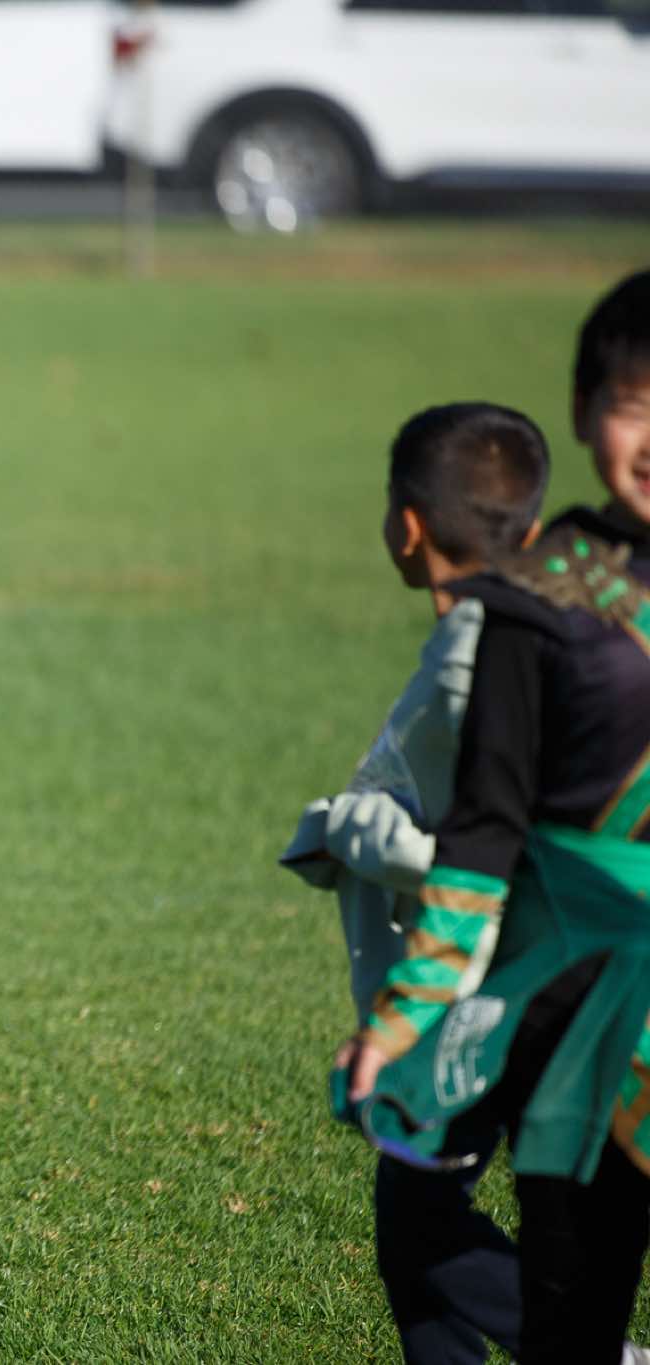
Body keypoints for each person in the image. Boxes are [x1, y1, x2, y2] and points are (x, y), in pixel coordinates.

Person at [345, 270, 650, 1364]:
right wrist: (400, 1016)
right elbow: (482, 837)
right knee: (568, 1306)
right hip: (575, 1013)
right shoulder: (538, 599)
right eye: (635, 405)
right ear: (582, 411)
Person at [283, 404, 548, 1364]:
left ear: (406, 525)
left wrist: (367, 834)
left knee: (421, 1220)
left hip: (488, 976)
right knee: (411, 1224)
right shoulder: (512, 627)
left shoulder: (481, 659)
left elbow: (500, 851)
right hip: (502, 967)